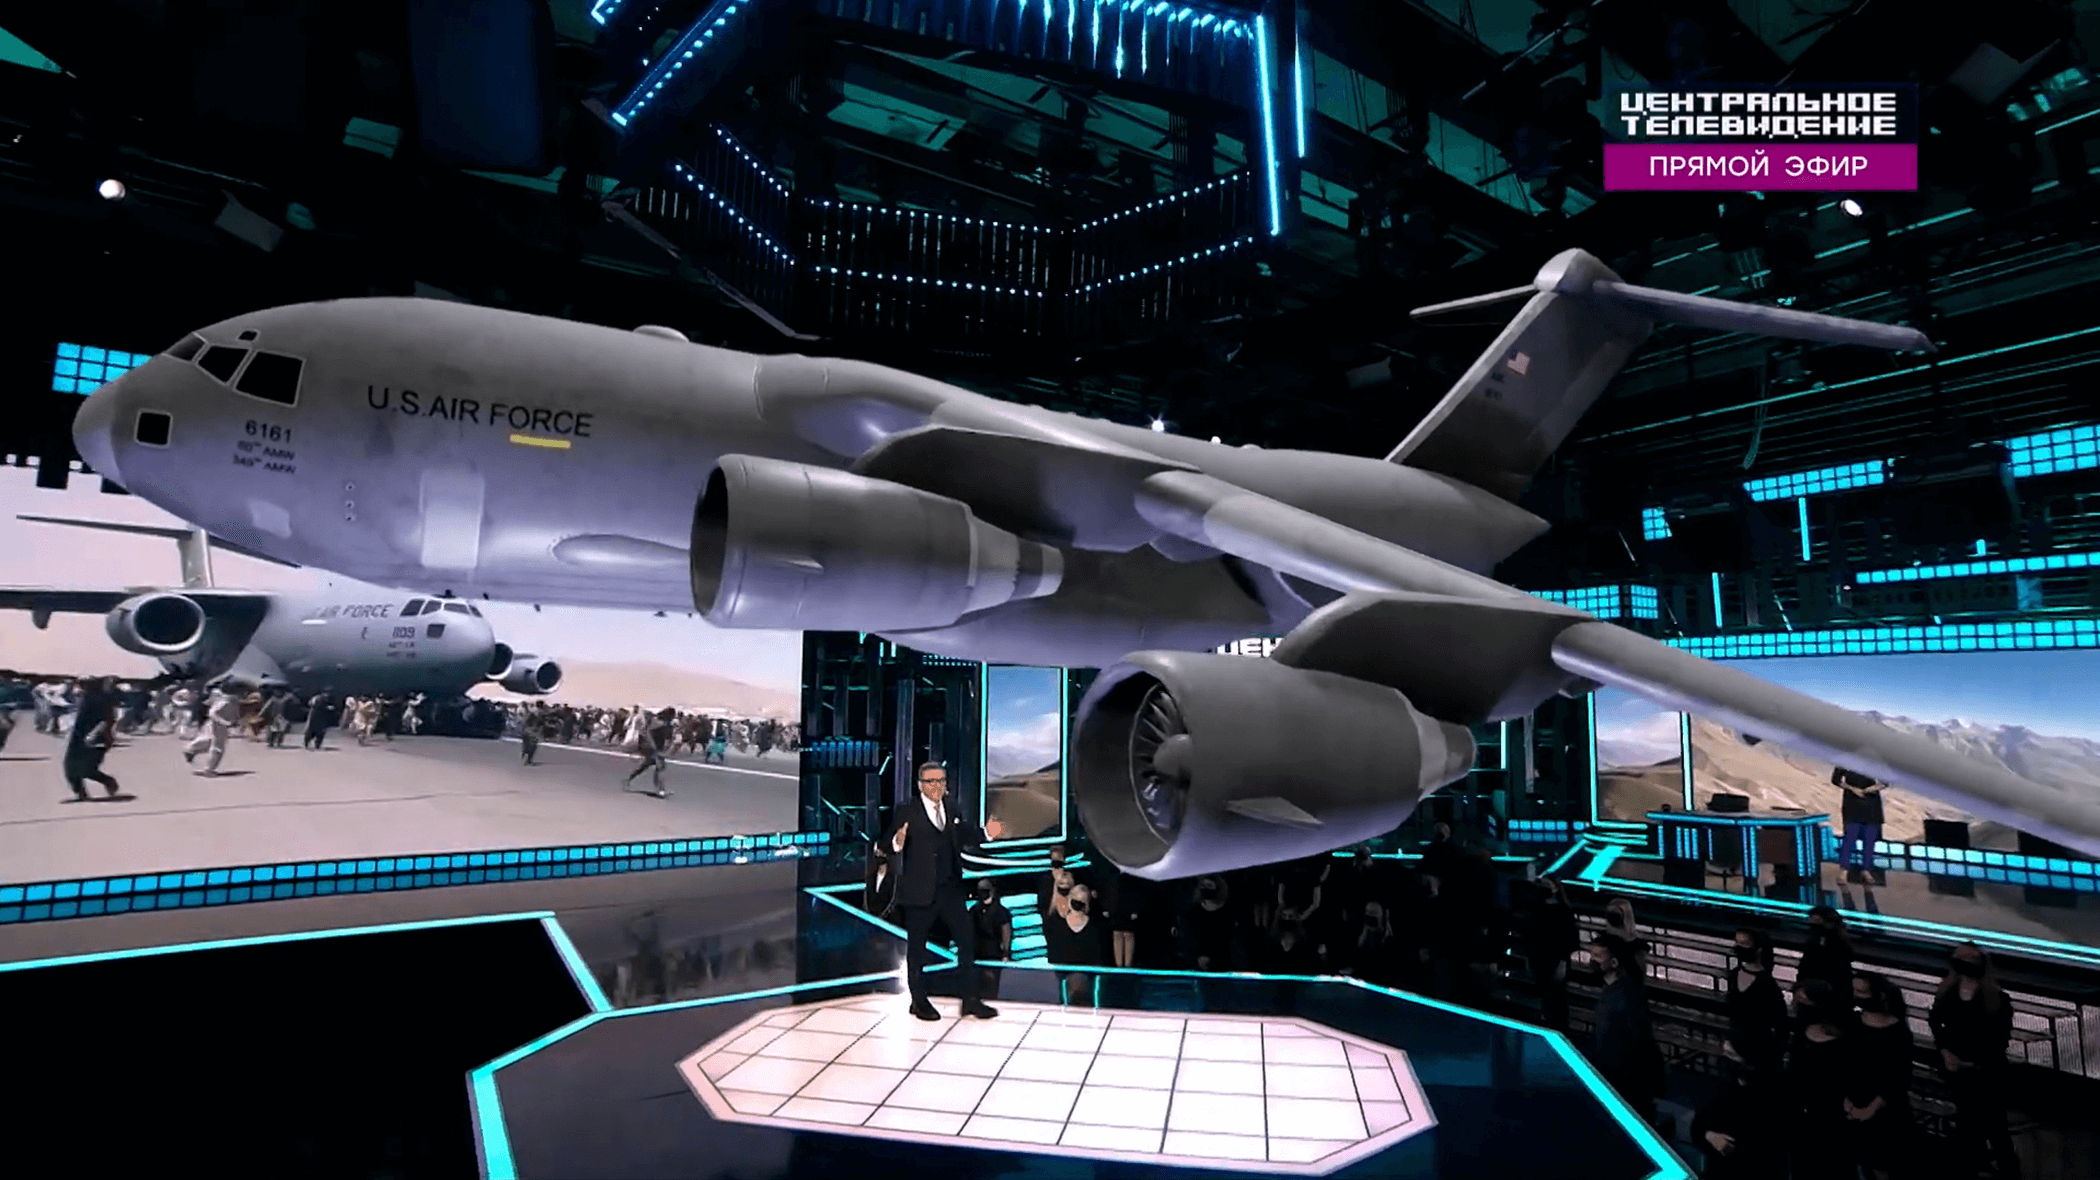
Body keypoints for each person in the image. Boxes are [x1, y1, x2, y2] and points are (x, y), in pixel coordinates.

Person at [887, 762, 1005, 1021]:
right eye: (931, 781)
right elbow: (888, 842)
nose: (937, 786)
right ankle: (918, 1000)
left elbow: (964, 834)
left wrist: (987, 833)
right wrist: (898, 842)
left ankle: (971, 1000)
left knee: (967, 943)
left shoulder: (952, 807)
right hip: (920, 892)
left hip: (951, 890)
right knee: (917, 949)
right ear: (920, 785)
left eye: (941, 780)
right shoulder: (907, 810)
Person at [1930, 943, 2020, 1178]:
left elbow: (1999, 1041)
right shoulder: (1947, 993)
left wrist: (1970, 1063)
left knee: (1996, 1129)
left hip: (1987, 1074)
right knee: (1968, 1128)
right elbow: (1936, 1022)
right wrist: (1945, 1051)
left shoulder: (1998, 1000)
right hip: (1958, 1074)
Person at [1847, 972, 1915, 1180]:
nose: (1855, 996)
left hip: (1885, 1112)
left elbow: (1897, 1078)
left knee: (1880, 1165)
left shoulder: (1897, 1033)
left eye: (1861, 992)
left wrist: (1870, 1109)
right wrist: (1847, 1102)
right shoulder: (1853, 1022)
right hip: (1853, 1102)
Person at [1588, 938, 1662, 1123]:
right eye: (1591, 954)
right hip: (1614, 1074)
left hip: (1626, 1080)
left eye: (1598, 956)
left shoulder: (1625, 996)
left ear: (1614, 962)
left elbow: (1635, 1041)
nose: (1592, 960)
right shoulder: (1613, 989)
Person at [1788, 977, 1856, 1180]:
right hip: (1801, 1112)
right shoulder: (1802, 1030)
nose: (1796, 1006)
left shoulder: (1842, 1041)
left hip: (1831, 1115)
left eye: (1802, 1002)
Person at [1692, 1055, 1791, 1180]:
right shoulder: (1723, 1086)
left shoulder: (1775, 1099)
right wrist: (1710, 1135)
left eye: (1731, 1053)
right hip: (1719, 1169)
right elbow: (1698, 1126)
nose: (1725, 1054)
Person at [1724, 927, 1789, 1083]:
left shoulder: (1768, 986)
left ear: (1758, 949)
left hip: (1758, 1053)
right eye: (1737, 943)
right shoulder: (1734, 975)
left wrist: (1770, 1057)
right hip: (1735, 1046)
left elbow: (1781, 1026)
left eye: (1743, 944)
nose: (1738, 948)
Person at [1524, 877, 1581, 1031]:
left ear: (1555, 888)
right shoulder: (1537, 908)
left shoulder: (1564, 911)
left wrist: (1562, 963)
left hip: (1556, 962)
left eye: (1547, 884)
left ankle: (1561, 1030)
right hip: (1539, 961)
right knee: (1545, 998)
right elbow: (1530, 936)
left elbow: (1569, 940)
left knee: (1558, 1000)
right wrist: (1529, 959)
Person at [62, 677, 123, 802]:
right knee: (70, 767)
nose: (79, 686)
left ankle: (108, 781)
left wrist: (98, 734)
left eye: (83, 684)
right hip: (78, 737)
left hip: (95, 738)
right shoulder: (84, 698)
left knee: (87, 769)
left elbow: (108, 720)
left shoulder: (99, 699)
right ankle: (80, 792)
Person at [1045, 882, 1106, 1006]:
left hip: (1085, 976)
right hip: (1065, 974)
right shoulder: (1057, 924)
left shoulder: (1095, 927)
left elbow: (1098, 958)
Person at [1835, 766, 1887, 883]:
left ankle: (1866, 869)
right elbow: (1836, 780)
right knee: (1849, 839)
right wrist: (1853, 789)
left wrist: (1871, 789)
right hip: (1852, 804)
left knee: (1869, 840)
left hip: (1871, 805)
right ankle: (1844, 870)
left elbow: (1885, 781)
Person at [970, 878, 1013, 1001]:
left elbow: (1006, 932)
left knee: (991, 987)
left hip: (993, 955)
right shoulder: (974, 910)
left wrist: (1005, 952)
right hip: (976, 955)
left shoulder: (1000, 912)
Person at [1799, 905, 1855, 998]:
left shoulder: (1834, 938)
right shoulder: (1818, 935)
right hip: (1818, 982)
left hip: (1829, 984)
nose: (1809, 920)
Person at [184, 684, 239, 775]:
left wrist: (234, 720)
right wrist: (225, 722)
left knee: (208, 741)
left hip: (213, 724)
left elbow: (208, 704)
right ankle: (209, 769)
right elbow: (212, 713)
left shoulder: (224, 697)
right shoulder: (227, 700)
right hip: (218, 725)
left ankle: (190, 749)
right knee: (217, 747)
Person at [622, 707, 675, 798]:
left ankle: (628, 779)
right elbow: (649, 733)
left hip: (657, 749)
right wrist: (653, 746)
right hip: (653, 749)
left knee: (645, 766)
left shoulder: (666, 723)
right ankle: (660, 790)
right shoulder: (659, 723)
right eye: (673, 715)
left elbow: (667, 737)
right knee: (659, 768)